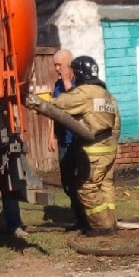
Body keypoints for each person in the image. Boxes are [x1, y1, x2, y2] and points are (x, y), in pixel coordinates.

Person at [47, 55, 120, 236]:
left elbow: (61, 103)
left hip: (94, 149)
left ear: (78, 73)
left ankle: (102, 226)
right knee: (105, 185)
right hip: (109, 148)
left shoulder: (86, 92)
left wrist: (41, 102)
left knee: (87, 187)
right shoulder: (107, 95)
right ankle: (111, 220)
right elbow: (117, 125)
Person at [51, 48, 89, 232]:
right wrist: (52, 136)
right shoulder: (57, 85)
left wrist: (67, 82)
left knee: (81, 179)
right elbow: (54, 112)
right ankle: (79, 217)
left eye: (59, 65)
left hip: (78, 140)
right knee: (67, 182)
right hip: (64, 140)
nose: (57, 69)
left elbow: (76, 104)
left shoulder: (80, 84)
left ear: (69, 64)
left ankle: (87, 219)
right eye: (55, 65)